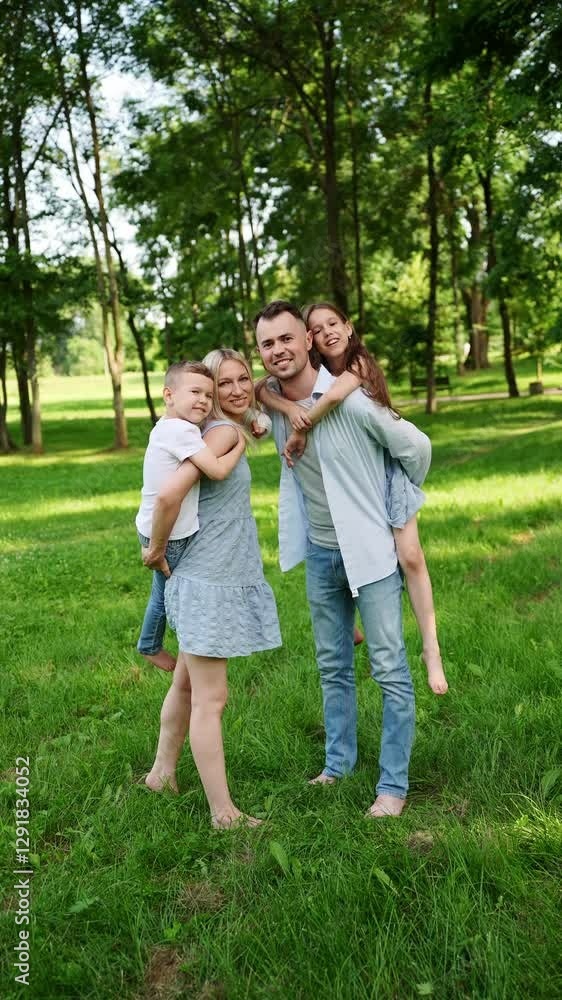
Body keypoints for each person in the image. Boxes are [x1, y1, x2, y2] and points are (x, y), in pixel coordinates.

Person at [255, 300, 431, 817]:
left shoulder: (350, 400)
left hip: (371, 552)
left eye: (288, 338)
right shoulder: (274, 406)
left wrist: (398, 503)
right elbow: (238, 391)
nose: (278, 350)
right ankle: (338, 766)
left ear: (308, 341)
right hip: (320, 550)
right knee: (333, 665)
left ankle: (393, 787)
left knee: (388, 668)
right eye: (268, 343)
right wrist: (284, 407)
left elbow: (416, 446)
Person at [142, 348, 281, 829]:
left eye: (244, 379)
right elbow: (168, 494)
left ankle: (162, 773)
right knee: (211, 700)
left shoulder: (212, 429)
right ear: (207, 393)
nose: (238, 390)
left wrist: (260, 414)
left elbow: (263, 392)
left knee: (184, 681)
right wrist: (155, 550)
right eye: (224, 384)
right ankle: (223, 813)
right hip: (208, 580)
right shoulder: (220, 434)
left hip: (211, 573)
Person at [135, 361, 246, 672]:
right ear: (169, 395)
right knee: (173, 594)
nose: (204, 401)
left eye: (209, 395)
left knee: (164, 590)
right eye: (195, 392)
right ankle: (155, 645)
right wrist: (240, 441)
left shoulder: (168, 425)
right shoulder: (183, 432)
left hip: (155, 524)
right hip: (168, 532)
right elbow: (218, 471)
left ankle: (155, 645)